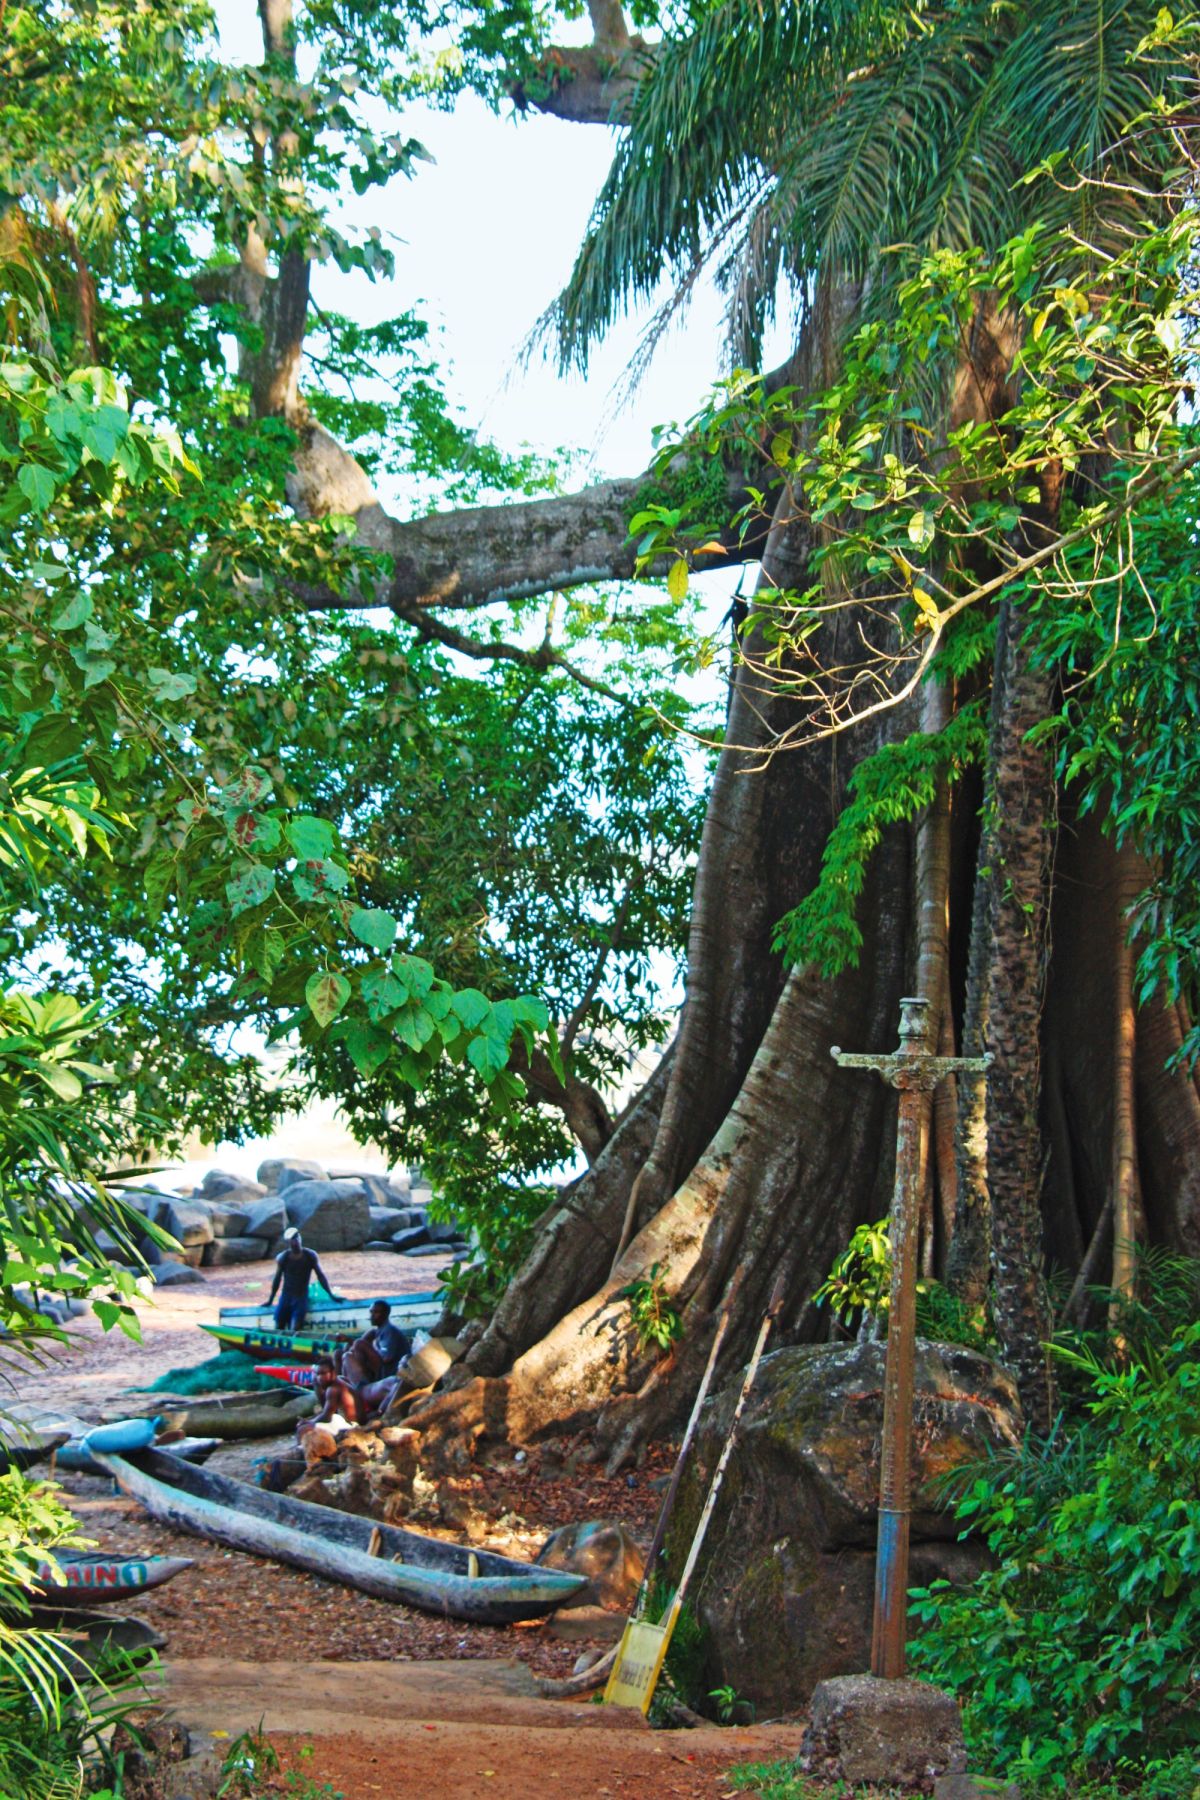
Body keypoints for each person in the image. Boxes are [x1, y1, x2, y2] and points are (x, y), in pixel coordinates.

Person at [268, 1228, 338, 1332]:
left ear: (300, 1238)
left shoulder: (310, 1255)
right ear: (288, 1242)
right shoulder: (283, 1258)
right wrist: (270, 1299)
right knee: (278, 1326)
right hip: (286, 1296)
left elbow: (321, 1276)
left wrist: (330, 1294)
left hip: (301, 1297)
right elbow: (277, 1280)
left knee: (295, 1328)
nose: (296, 1241)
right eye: (292, 1239)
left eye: (297, 1237)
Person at [340, 1301, 411, 1386]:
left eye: (376, 1312)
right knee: (342, 1353)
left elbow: (386, 1357)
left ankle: (363, 1384)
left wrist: (370, 1348)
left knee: (359, 1344)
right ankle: (343, 1383)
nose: (372, 1316)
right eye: (371, 1312)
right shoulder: (377, 1331)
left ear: (385, 1314)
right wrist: (350, 1342)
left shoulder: (389, 1331)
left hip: (389, 1372)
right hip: (381, 1368)